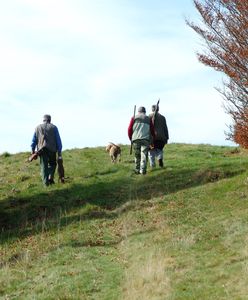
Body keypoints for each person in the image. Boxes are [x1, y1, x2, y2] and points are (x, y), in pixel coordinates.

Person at [31, 114, 62, 186]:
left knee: (44, 166)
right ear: (50, 120)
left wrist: (32, 150)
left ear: (43, 120)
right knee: (53, 164)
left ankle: (46, 184)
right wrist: (59, 152)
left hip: (41, 150)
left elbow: (34, 140)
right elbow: (58, 140)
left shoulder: (37, 127)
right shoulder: (54, 127)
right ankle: (50, 177)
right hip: (52, 149)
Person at [128, 106, 155, 175]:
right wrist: (153, 138)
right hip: (145, 139)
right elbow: (152, 130)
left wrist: (130, 137)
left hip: (136, 139)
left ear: (138, 111)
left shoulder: (134, 117)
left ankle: (137, 170)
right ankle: (142, 170)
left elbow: (129, 128)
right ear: (145, 112)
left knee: (137, 155)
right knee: (144, 154)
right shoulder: (148, 118)